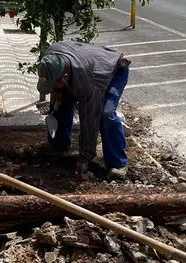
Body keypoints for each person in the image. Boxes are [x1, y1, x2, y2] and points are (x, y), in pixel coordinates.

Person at [36, 40, 131, 178]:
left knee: (105, 114)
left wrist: (85, 157)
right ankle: (59, 143)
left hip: (114, 70)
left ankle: (118, 163)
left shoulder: (88, 82)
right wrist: (56, 90)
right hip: (86, 67)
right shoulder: (50, 58)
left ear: (65, 77)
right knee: (59, 101)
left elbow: (90, 120)